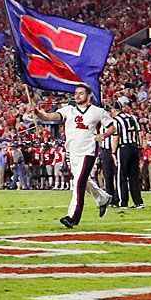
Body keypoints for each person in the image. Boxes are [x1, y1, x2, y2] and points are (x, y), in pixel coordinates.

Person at [27, 85, 111, 228]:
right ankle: (102, 198)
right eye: (76, 93)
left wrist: (103, 135)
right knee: (82, 181)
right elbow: (47, 116)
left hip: (88, 151)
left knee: (78, 184)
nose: (77, 96)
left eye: (81, 93)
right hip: (72, 152)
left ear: (89, 95)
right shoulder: (68, 110)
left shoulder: (98, 111)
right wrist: (36, 111)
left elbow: (111, 126)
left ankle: (72, 217)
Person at [109, 103, 145, 209]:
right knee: (134, 176)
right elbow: (140, 134)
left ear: (115, 111)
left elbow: (116, 137)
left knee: (121, 176)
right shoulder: (133, 117)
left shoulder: (116, 120)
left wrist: (113, 152)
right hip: (134, 148)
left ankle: (122, 202)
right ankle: (138, 202)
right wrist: (141, 147)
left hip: (123, 148)